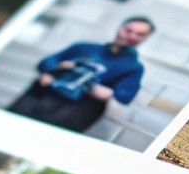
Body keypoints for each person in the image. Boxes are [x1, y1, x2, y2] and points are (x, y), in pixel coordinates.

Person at [8, 16, 154, 133]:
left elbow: (124, 97)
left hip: (75, 110)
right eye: (128, 30)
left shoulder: (134, 67)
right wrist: (57, 68)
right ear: (120, 28)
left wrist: (107, 92)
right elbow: (45, 63)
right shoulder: (83, 47)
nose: (132, 36)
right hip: (40, 98)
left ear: (145, 39)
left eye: (140, 34)